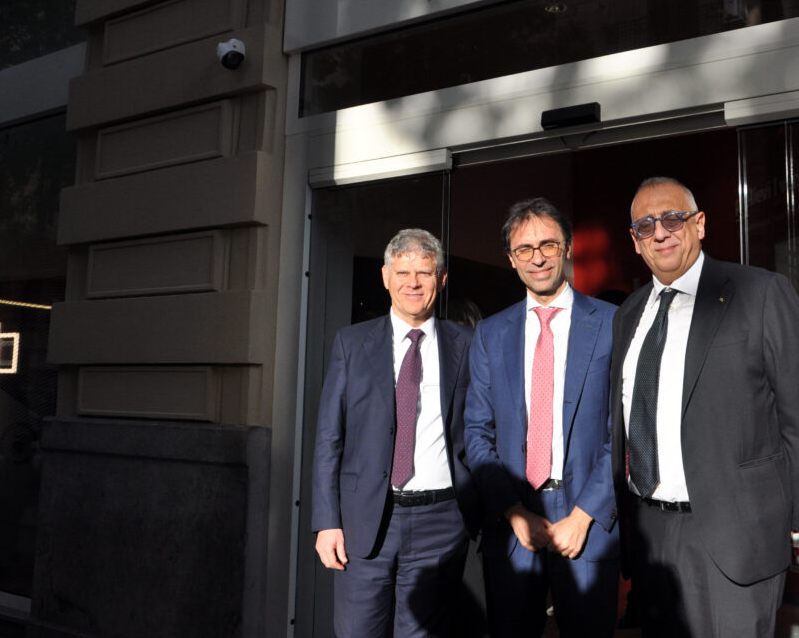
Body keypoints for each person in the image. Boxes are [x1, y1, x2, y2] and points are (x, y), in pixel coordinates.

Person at [611, 176, 799, 637]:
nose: (660, 232)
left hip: (737, 537)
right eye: (645, 225)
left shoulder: (760, 293)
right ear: (635, 243)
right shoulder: (628, 314)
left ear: (699, 225)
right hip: (650, 535)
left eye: (672, 218)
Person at [312, 228, 481, 638]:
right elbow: (329, 438)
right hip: (364, 521)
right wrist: (326, 521)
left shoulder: (468, 344)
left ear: (441, 279)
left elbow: (479, 430)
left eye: (424, 272)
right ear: (385, 276)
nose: (413, 282)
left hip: (441, 522)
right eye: (403, 272)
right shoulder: (351, 344)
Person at [465, 198, 619, 638]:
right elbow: (476, 434)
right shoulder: (490, 334)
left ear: (567, 248)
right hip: (513, 522)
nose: (537, 257)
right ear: (510, 260)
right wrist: (512, 512)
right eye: (524, 249)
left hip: (586, 521)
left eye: (548, 244)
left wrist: (585, 513)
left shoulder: (612, 323)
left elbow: (623, 429)